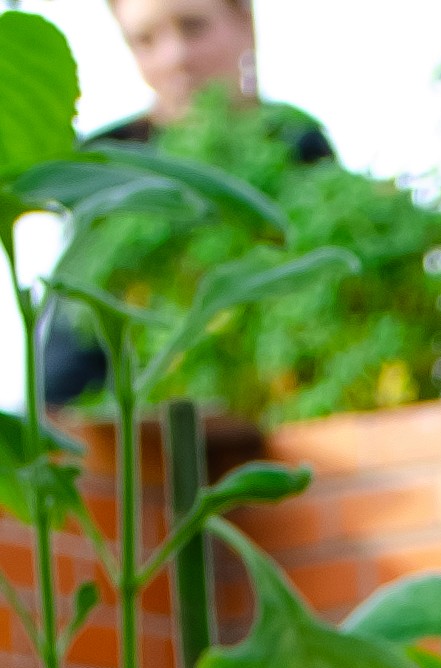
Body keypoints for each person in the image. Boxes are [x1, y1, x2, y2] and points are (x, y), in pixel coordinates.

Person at [36, 0, 334, 416]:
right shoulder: (107, 162)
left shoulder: (297, 142)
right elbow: (69, 362)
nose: (175, 57)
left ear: (244, 22)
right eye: (145, 40)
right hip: (147, 432)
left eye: (194, 27)